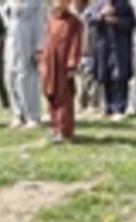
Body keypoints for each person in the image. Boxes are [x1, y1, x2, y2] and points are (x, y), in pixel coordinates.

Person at [40, 0, 84, 143]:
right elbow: (47, 41)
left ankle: (65, 131)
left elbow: (76, 43)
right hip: (50, 64)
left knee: (63, 97)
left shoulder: (74, 22)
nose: (58, 4)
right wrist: (42, 60)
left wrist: (72, 64)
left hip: (63, 65)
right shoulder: (52, 20)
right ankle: (55, 128)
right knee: (50, 94)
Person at [89, 0, 135, 118]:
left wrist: (117, 21)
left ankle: (119, 107)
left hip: (120, 45)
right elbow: (90, 20)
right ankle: (107, 106)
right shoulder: (98, 3)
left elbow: (132, 22)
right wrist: (102, 15)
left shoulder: (124, 4)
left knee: (119, 76)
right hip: (104, 45)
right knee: (105, 75)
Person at [3, 0, 44, 128]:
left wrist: (39, 48)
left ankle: (33, 116)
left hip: (27, 45)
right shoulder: (8, 3)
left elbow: (39, 26)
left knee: (27, 80)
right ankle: (18, 114)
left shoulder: (35, 4)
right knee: (11, 78)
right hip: (11, 45)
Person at [73, 0, 103, 114]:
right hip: (77, 50)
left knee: (91, 78)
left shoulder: (91, 13)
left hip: (90, 49)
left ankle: (93, 104)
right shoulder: (73, 14)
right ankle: (81, 104)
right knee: (79, 79)